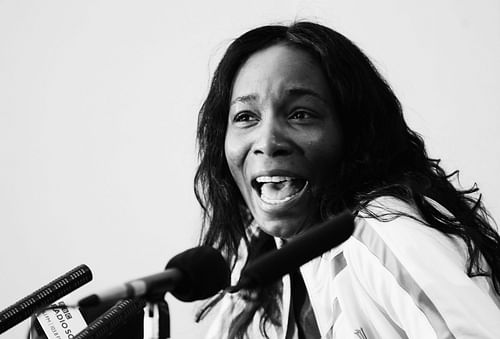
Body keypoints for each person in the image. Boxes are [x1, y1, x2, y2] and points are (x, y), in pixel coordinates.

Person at [193, 21, 500, 339]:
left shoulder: (380, 229)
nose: (267, 142)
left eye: (301, 113)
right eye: (246, 117)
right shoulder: (258, 264)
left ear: (352, 133)